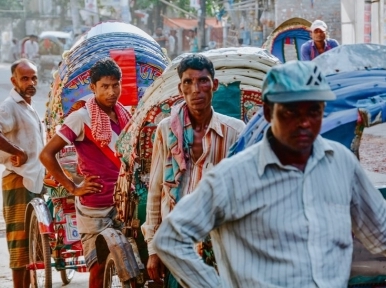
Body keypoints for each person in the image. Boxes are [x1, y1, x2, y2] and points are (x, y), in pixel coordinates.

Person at [152, 60, 386, 287]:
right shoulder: (235, 175)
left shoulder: (341, 163)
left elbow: (381, 233)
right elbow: (171, 238)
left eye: (313, 111)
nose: (304, 122)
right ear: (267, 112)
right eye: (291, 112)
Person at [141, 54, 245, 287]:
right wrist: (153, 249)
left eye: (203, 81)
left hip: (220, 246)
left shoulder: (235, 131)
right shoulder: (166, 130)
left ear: (214, 85)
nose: (195, 89)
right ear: (180, 88)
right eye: (188, 82)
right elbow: (156, 190)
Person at [39, 58, 132, 287]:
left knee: (132, 264)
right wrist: (73, 187)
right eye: (105, 86)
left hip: (126, 200)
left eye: (115, 85)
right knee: (99, 269)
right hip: (96, 206)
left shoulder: (125, 114)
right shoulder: (81, 117)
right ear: (93, 88)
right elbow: (46, 155)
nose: (111, 92)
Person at [0, 59, 45, 288]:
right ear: (14, 80)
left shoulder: (28, 106)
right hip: (17, 181)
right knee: (20, 248)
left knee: (31, 250)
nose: (31, 82)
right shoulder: (9, 106)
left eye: (34, 77)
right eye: (25, 78)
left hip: (33, 182)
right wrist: (15, 150)